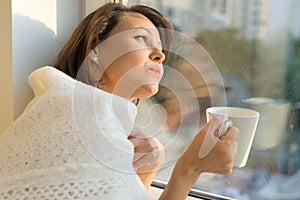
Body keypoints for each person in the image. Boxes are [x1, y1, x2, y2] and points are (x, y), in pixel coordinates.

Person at [0, 3, 238, 200]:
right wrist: (190, 168)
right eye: (141, 38)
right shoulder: (79, 119)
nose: (160, 54)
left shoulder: (104, 127)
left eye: (160, 48)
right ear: (95, 51)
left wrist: (145, 173)